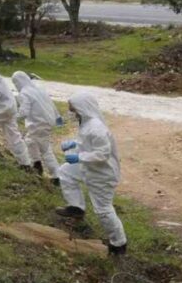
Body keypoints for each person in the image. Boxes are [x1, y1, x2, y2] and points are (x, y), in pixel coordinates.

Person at [54, 92, 128, 256]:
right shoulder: (87, 122)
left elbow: (102, 154)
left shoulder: (96, 128)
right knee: (65, 172)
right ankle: (76, 207)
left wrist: (79, 156)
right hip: (89, 167)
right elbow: (87, 142)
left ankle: (119, 244)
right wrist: (75, 143)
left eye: (73, 108)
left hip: (102, 174)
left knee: (103, 210)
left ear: (83, 107)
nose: (72, 112)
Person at [12, 71, 65, 178]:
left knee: (44, 149)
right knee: (31, 141)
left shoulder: (24, 93)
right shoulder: (38, 90)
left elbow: (24, 112)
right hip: (46, 122)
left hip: (38, 124)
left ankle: (56, 175)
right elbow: (51, 104)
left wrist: (12, 118)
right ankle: (37, 164)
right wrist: (58, 116)